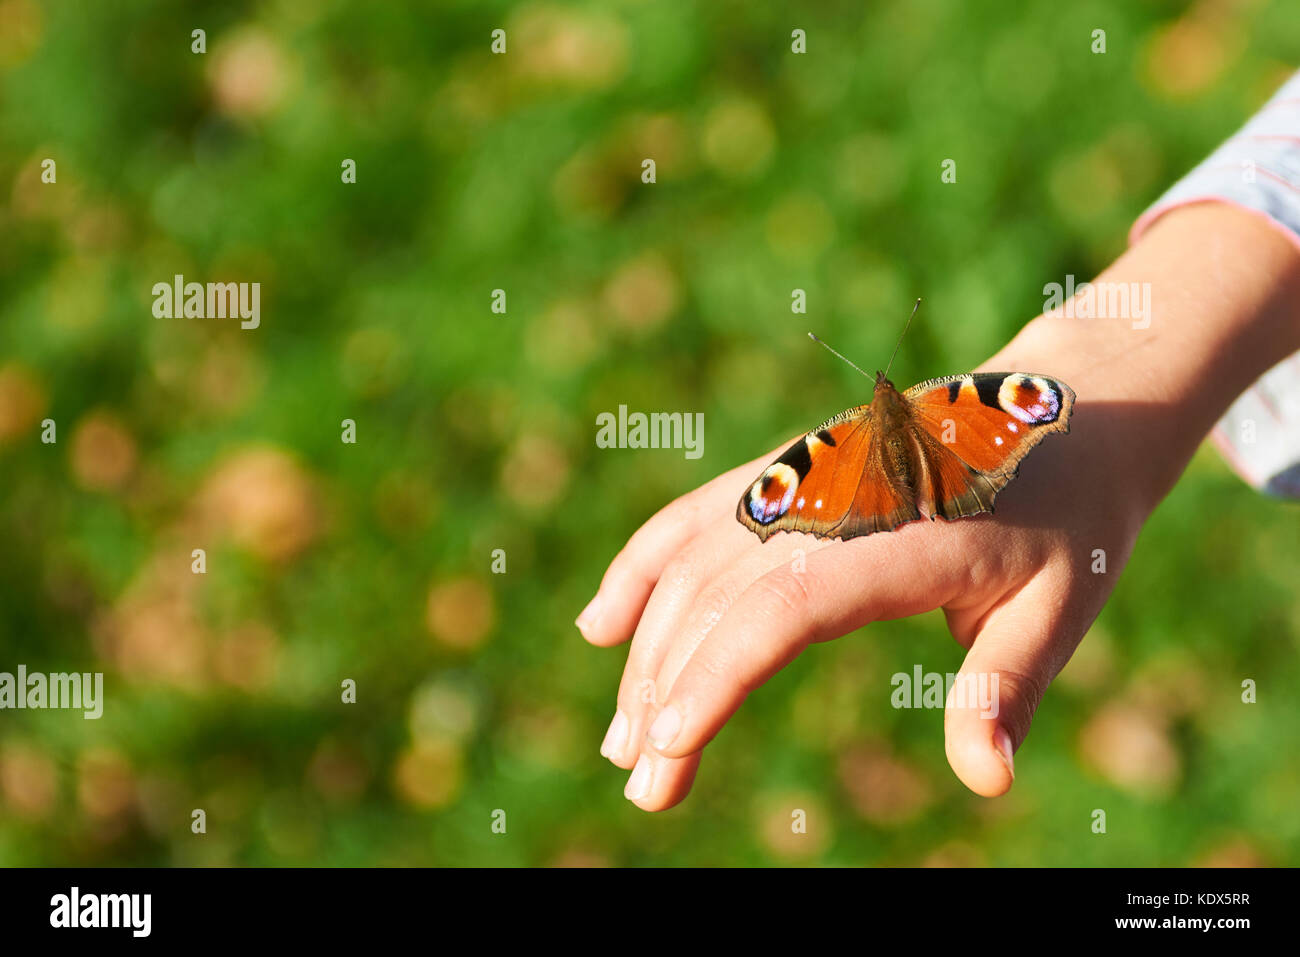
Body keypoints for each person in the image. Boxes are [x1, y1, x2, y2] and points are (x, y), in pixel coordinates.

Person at [578, 72, 1300, 811]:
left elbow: (1030, 400)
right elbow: (1016, 398)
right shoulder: (944, 405)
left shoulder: (842, 441)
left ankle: (899, 501)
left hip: (881, 489)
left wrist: (1110, 352)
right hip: (956, 473)